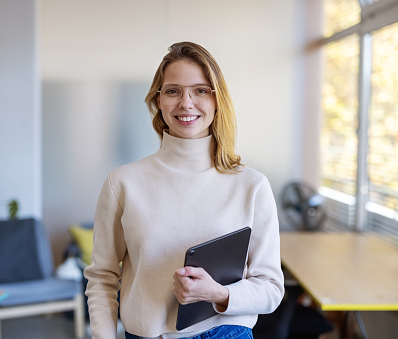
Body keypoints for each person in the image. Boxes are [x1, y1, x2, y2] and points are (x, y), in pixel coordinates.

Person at [84, 41, 284, 339]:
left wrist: (217, 294)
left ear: (217, 101)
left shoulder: (251, 185)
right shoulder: (123, 183)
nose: (186, 103)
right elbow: (102, 277)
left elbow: (270, 288)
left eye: (201, 90)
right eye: (173, 91)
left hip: (226, 332)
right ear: (158, 100)